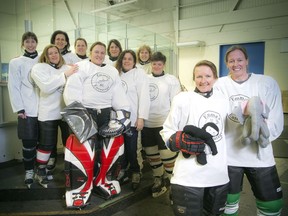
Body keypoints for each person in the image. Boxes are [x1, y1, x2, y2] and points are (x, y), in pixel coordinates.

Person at [215, 45, 284, 216]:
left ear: (247, 61)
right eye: (231, 61)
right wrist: (242, 112)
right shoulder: (220, 85)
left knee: (272, 206)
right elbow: (218, 117)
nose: (236, 64)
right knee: (227, 206)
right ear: (226, 63)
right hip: (230, 157)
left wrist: (260, 132)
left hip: (260, 157)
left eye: (239, 60)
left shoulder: (267, 83)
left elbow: (276, 120)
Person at [63, 41, 131, 203]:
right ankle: (80, 186)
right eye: (96, 52)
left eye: (102, 52)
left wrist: (123, 117)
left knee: (106, 150)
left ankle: (102, 180)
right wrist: (80, 115)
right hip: (86, 111)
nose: (99, 55)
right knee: (85, 150)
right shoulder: (81, 66)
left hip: (106, 113)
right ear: (91, 52)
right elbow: (72, 92)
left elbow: (118, 94)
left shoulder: (111, 71)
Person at [160, 60, 229, 215]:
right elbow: (167, 130)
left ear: (215, 78)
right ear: (193, 78)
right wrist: (177, 140)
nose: (203, 80)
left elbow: (230, 133)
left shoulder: (223, 101)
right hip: (188, 176)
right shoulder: (182, 99)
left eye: (208, 76)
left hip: (217, 174)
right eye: (199, 76)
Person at [31, 44, 78, 188]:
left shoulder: (66, 68)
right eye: (50, 53)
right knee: (47, 144)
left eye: (55, 52)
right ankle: (40, 171)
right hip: (48, 112)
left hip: (65, 112)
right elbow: (46, 87)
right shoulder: (38, 68)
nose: (53, 55)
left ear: (60, 54)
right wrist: (65, 75)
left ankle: (70, 170)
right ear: (45, 55)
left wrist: (69, 70)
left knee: (69, 143)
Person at [141, 51, 181, 198]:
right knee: (152, 154)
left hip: (164, 124)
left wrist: (174, 123)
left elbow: (176, 103)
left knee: (166, 154)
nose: (156, 66)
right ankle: (158, 178)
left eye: (159, 64)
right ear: (151, 64)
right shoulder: (144, 79)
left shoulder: (171, 80)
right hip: (147, 124)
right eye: (154, 63)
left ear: (164, 65)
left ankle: (170, 180)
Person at [7, 31, 40, 189]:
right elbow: (13, 86)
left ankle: (41, 170)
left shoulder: (43, 59)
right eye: (27, 41)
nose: (31, 44)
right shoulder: (16, 62)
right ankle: (28, 171)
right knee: (28, 143)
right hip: (26, 109)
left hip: (44, 110)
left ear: (37, 43)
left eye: (33, 41)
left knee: (44, 144)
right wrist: (19, 108)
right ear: (23, 44)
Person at [115, 49, 150, 191]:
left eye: (130, 59)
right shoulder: (116, 74)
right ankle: (122, 170)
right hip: (117, 120)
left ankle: (136, 171)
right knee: (119, 148)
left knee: (131, 148)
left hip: (133, 119)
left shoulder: (139, 74)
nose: (127, 61)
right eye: (124, 59)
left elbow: (144, 97)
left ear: (134, 61)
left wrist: (141, 118)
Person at [48, 30, 80, 172]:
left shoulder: (72, 57)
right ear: (53, 41)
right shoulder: (48, 56)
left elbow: (79, 74)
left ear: (67, 42)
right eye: (57, 39)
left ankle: (69, 159)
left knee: (68, 134)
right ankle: (52, 157)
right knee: (50, 135)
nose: (60, 41)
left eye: (63, 39)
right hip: (51, 102)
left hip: (67, 101)